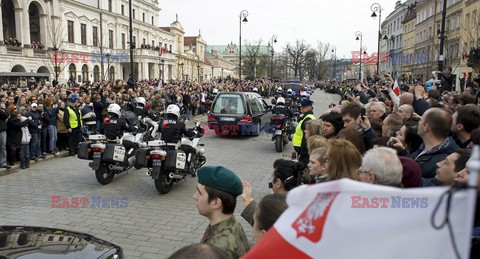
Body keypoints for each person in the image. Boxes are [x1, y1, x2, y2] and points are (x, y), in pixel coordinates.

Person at [193, 166, 250, 259]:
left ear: (215, 203)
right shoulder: (233, 225)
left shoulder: (216, 250)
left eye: (199, 192)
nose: (194, 196)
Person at [411, 108, 458, 178]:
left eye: (421, 120)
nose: (418, 122)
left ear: (426, 128)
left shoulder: (444, 162)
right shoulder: (424, 146)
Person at [160, 104, 200, 174]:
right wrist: (194, 132)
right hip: (175, 147)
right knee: (191, 149)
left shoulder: (162, 122)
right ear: (177, 112)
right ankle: (188, 166)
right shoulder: (179, 123)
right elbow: (188, 134)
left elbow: (159, 130)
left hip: (164, 147)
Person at [292, 99, 315, 164]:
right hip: (300, 147)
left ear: (310, 107)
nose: (301, 108)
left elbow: (306, 137)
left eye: (304, 107)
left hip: (302, 148)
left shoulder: (308, 118)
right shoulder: (306, 117)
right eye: (301, 106)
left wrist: (303, 151)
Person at [0, 95, 9, 168]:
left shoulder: (2, 110)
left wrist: (2, 108)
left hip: (2, 130)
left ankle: (3, 162)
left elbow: (6, 115)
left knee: (3, 147)